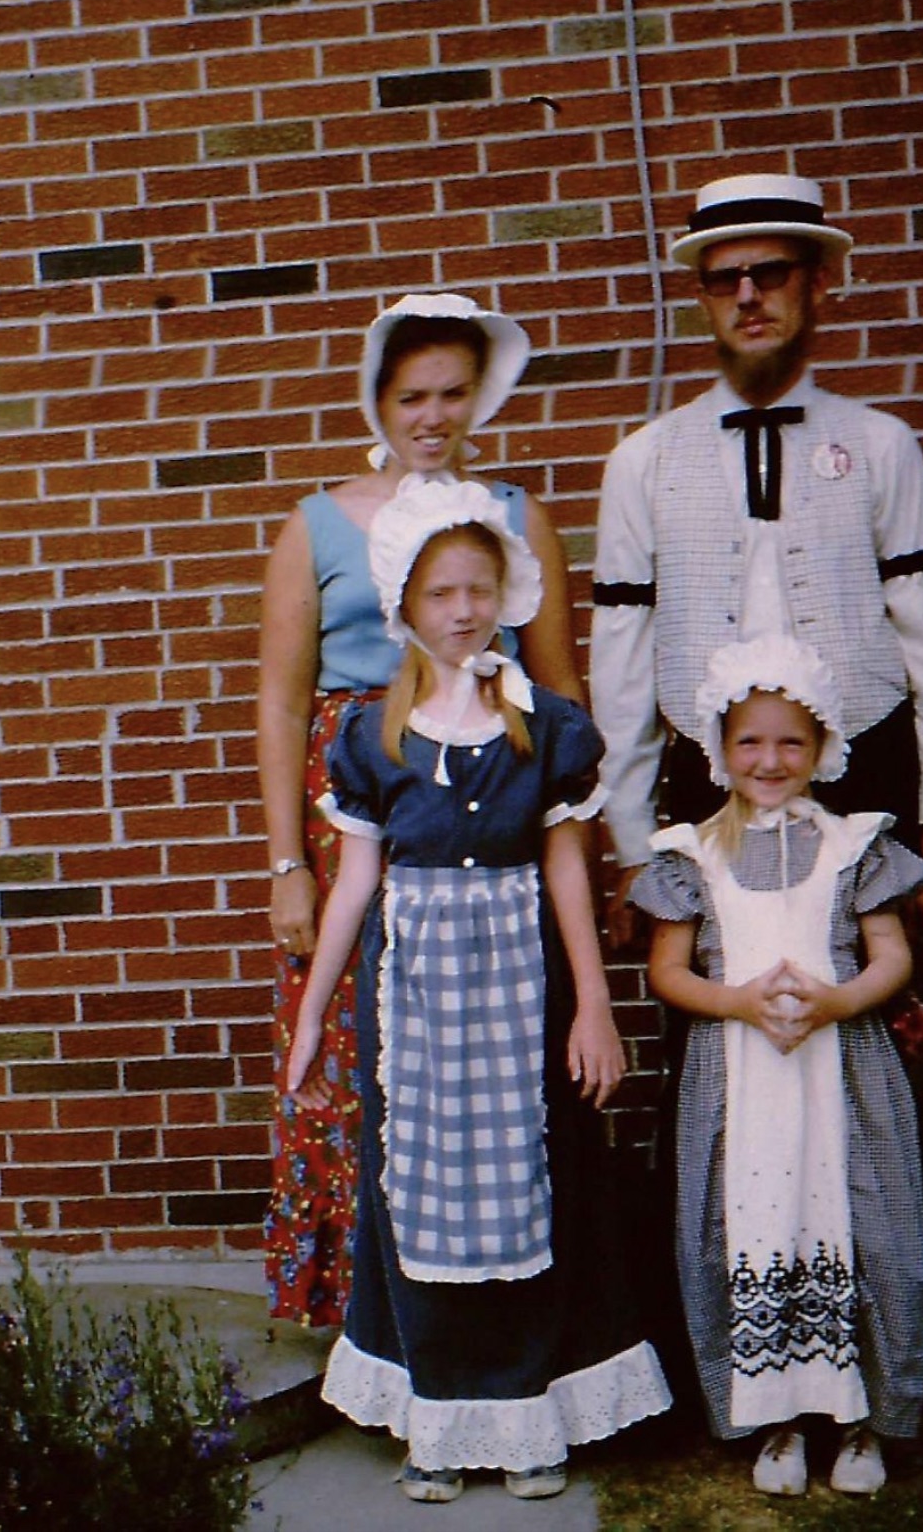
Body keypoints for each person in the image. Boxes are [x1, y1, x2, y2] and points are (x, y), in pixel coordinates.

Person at [283, 478, 670, 1502]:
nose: (459, 608)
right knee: (419, 1189)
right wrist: (315, 1013)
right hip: (413, 997)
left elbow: (567, 868)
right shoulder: (373, 735)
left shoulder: (546, 725)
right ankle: (439, 1419)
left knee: (536, 1184)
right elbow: (353, 880)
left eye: (477, 587)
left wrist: (593, 1001)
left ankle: (530, 1413)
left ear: (505, 592)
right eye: (438, 590)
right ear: (404, 606)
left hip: (520, 985)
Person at [256, 293, 582, 1328]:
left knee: (483, 1043)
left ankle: (496, 1295)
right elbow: (278, 696)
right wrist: (285, 862)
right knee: (359, 1036)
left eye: (451, 393)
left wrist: (587, 849)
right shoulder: (317, 523)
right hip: (352, 804)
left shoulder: (517, 518)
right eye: (410, 395)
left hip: (487, 803)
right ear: (378, 399)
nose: (431, 415)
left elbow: (560, 690)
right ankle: (357, 1298)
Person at [591, 172, 923, 960]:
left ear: (818, 283)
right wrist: (632, 842)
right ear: (702, 296)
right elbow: (622, 668)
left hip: (868, 778)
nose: (747, 295)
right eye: (724, 278)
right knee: (717, 1033)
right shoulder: (644, 461)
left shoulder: (879, 445)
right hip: (706, 790)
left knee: (873, 1022)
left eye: (770, 272)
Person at [628, 635, 923, 1497]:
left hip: (840, 1073)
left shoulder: (853, 844)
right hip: (741, 1079)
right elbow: (669, 972)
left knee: (862, 1225)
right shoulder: (694, 855)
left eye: (790, 741)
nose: (770, 759)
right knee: (754, 1230)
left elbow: (890, 957)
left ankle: (864, 1424)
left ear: (822, 746)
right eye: (750, 741)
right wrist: (744, 1002)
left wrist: (836, 1001)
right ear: (720, 750)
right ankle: (777, 1422)